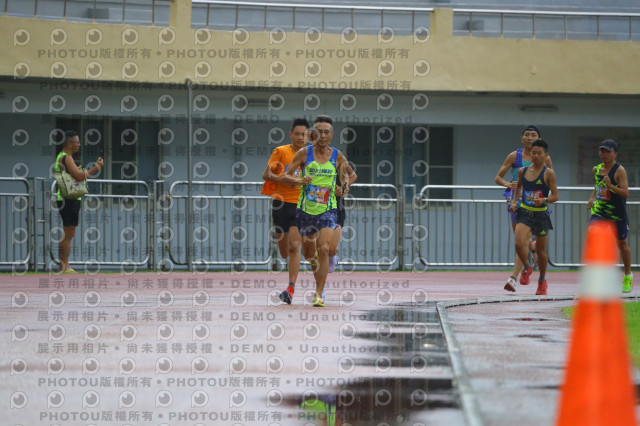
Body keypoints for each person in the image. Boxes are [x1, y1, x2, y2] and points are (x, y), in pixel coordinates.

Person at [282, 115, 351, 307]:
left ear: (331, 135)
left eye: (326, 132)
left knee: (324, 248)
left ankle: (318, 294)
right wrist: (299, 180)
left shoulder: (337, 155)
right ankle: (317, 268)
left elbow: (347, 176)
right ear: (313, 133)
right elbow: (286, 176)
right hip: (306, 210)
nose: (322, 135)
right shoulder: (304, 153)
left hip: (328, 209)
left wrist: (343, 188)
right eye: (319, 132)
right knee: (309, 253)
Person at [495, 125, 553, 291]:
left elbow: (550, 181)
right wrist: (508, 184)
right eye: (526, 135)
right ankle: (531, 253)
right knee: (520, 241)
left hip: (536, 204)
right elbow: (498, 177)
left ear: (539, 139)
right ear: (521, 139)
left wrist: (544, 198)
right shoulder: (515, 156)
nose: (529, 138)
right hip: (517, 202)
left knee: (523, 240)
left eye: (533, 135)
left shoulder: (545, 158)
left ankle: (514, 277)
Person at [261, 118, 309, 304]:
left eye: (303, 134)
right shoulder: (281, 151)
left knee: (294, 246)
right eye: (297, 134)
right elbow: (266, 174)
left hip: (300, 205)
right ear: (291, 134)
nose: (300, 137)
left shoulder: (312, 155)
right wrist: (287, 180)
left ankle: (290, 288)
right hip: (281, 204)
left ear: (308, 136)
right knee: (283, 252)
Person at [509, 139, 558, 295]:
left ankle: (542, 280)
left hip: (541, 214)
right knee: (518, 243)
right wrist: (514, 202)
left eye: (539, 153)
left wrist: (543, 200)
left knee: (541, 250)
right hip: (525, 212)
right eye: (533, 153)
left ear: (546, 155)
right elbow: (518, 187)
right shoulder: (523, 171)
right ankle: (527, 266)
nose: (536, 156)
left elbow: (555, 196)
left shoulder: (549, 173)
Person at [587, 139, 632, 293]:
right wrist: (592, 198)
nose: (604, 154)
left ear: (615, 153)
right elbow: (598, 185)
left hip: (616, 212)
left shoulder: (620, 170)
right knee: (593, 236)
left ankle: (627, 275)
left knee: (622, 245)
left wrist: (611, 186)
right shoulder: (597, 169)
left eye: (608, 151)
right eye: (602, 151)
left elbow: (625, 193)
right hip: (600, 211)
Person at [55, 130, 103, 273]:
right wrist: (96, 168)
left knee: (68, 233)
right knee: (68, 233)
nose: (79, 145)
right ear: (70, 143)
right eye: (77, 142)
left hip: (68, 198)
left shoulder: (62, 156)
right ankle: (64, 266)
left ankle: (64, 265)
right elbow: (79, 176)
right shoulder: (66, 157)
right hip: (68, 199)